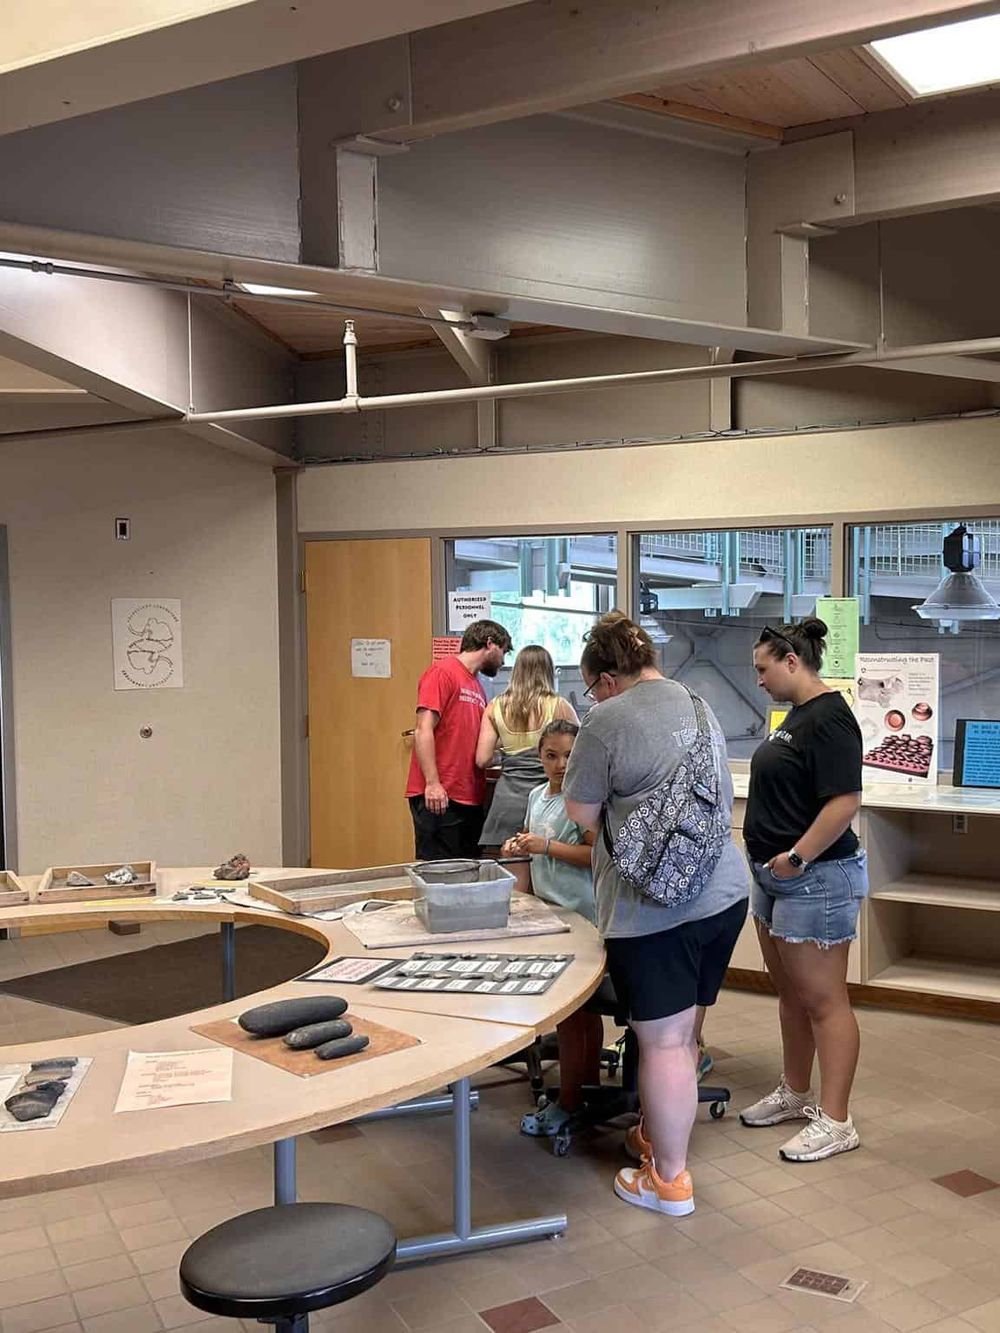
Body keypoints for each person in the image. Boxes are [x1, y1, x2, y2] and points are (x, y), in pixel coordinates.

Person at [563, 612, 748, 1218]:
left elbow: (584, 815)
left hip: (654, 908)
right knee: (685, 1033)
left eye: (592, 687)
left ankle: (669, 1180)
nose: (593, 696)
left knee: (663, 1044)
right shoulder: (699, 702)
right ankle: (657, 1135)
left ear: (607, 679)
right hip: (723, 893)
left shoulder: (604, 720)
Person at [738, 618, 867, 1162]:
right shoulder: (796, 717)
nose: (759, 680)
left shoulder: (831, 719)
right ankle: (796, 1092)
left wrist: (796, 857)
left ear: (792, 662)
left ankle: (837, 1120)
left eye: (763, 669)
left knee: (824, 1001)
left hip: (814, 879)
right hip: (777, 879)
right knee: (790, 993)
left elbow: (845, 802)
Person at [497, 719, 601, 1137]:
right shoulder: (538, 796)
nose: (560, 765)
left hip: (585, 918)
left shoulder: (583, 802)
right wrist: (518, 849)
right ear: (539, 757)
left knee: (577, 1012)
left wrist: (545, 846)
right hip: (551, 917)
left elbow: (595, 855)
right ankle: (578, 1090)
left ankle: (575, 1098)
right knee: (569, 1013)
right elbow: (533, 851)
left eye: (569, 756)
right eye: (551, 755)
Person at [406, 619, 513, 860]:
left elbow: (473, 740)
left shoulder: (476, 685)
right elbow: (423, 730)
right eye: (504, 651)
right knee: (441, 874)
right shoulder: (442, 673)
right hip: (440, 795)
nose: (503, 660)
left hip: (468, 795)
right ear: (490, 643)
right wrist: (433, 783)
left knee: (467, 872)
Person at [477, 645, 578, 851]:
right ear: (548, 672)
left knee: (509, 874)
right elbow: (582, 751)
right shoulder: (559, 706)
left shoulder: (495, 706)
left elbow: (482, 759)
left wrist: (506, 754)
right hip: (548, 805)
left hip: (506, 806)